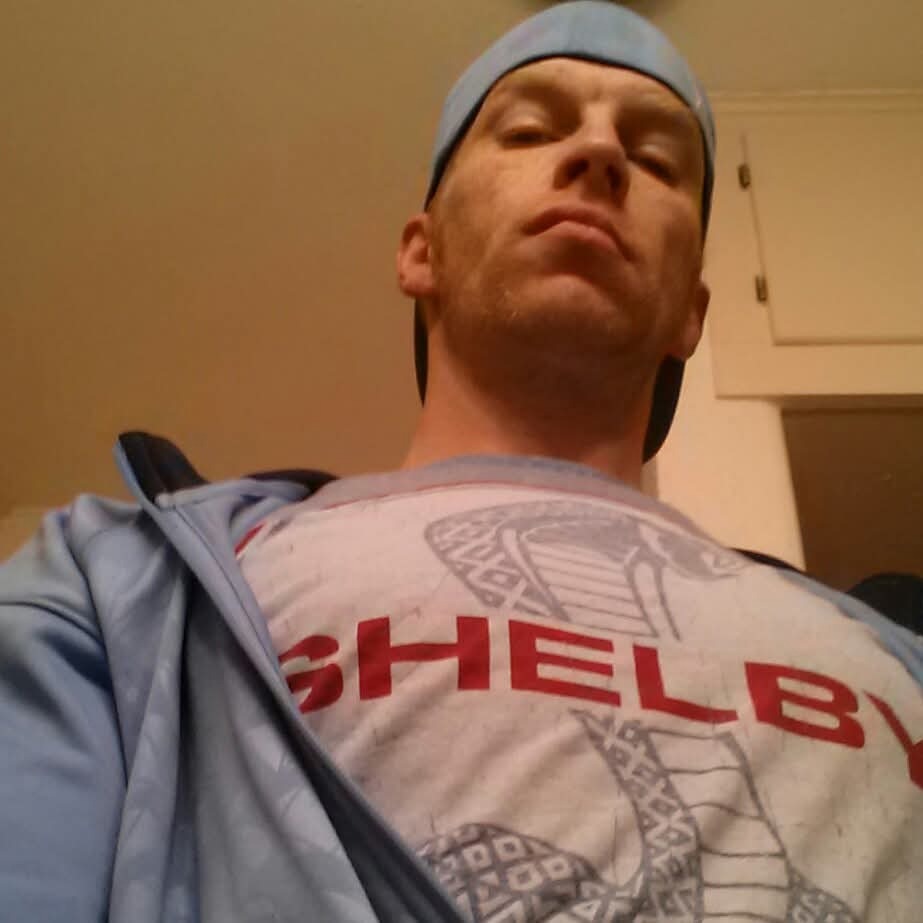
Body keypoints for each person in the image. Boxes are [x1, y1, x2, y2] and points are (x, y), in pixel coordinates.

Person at [1, 3, 921, 921]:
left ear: (692, 310)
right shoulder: (123, 581)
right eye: (529, 130)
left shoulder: (894, 653)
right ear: (420, 250)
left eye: (654, 159)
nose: (599, 152)